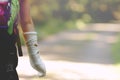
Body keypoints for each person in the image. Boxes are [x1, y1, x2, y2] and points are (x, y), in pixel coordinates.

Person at [0, 0, 46, 80]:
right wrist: (35, 57)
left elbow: (26, 21)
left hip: (7, 48)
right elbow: (26, 22)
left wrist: (35, 56)